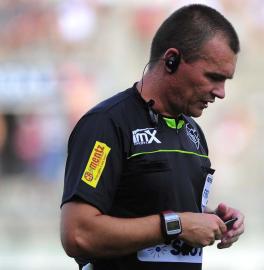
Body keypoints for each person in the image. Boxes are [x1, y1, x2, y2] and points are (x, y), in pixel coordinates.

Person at [60, 4, 245, 270]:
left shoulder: (193, 133)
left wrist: (212, 220)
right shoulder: (107, 125)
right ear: (171, 60)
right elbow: (77, 233)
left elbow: (151, 211)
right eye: (213, 77)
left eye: (226, 80)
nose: (221, 92)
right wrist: (177, 225)